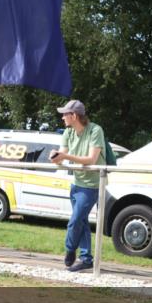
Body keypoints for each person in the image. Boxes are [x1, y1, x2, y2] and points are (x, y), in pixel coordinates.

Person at [49, 99, 106, 273]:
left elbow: (91, 159)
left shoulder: (95, 130)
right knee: (81, 221)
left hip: (92, 185)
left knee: (75, 222)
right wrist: (55, 156)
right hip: (77, 183)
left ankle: (70, 248)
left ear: (74, 116)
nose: (62, 118)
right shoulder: (68, 133)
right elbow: (62, 157)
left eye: (65, 114)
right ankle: (86, 258)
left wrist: (66, 157)